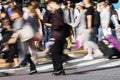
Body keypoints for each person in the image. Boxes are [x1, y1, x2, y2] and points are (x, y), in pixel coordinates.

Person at [6, 7, 37, 75]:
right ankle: (32, 67)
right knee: (24, 54)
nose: (12, 15)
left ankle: (33, 67)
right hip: (21, 39)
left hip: (22, 39)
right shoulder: (19, 20)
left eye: (14, 13)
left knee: (24, 54)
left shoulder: (19, 20)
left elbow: (18, 31)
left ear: (18, 13)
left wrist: (12, 38)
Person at [45, 0, 66, 76]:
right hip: (59, 35)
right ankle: (59, 69)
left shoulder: (57, 12)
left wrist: (52, 26)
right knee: (56, 52)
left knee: (55, 53)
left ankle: (58, 69)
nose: (50, 7)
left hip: (57, 35)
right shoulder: (58, 11)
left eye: (50, 4)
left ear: (53, 3)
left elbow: (58, 24)